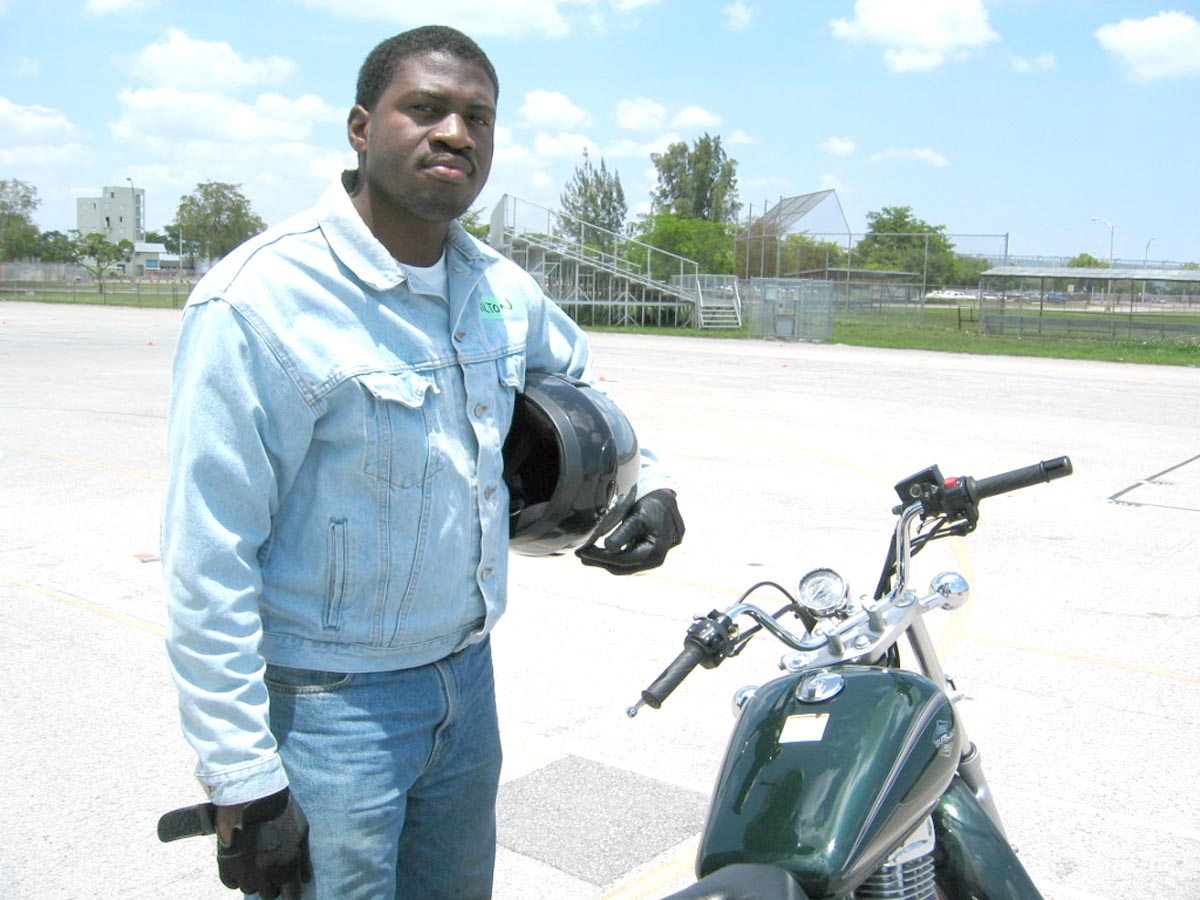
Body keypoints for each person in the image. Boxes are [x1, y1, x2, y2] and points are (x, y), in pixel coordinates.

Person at [160, 23, 685, 900]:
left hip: (466, 688)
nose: (456, 133)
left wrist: (650, 482)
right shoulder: (260, 302)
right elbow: (207, 553)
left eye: (479, 118)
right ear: (361, 128)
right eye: (427, 109)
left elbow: (581, 381)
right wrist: (242, 776)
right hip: (329, 709)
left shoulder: (498, 288)